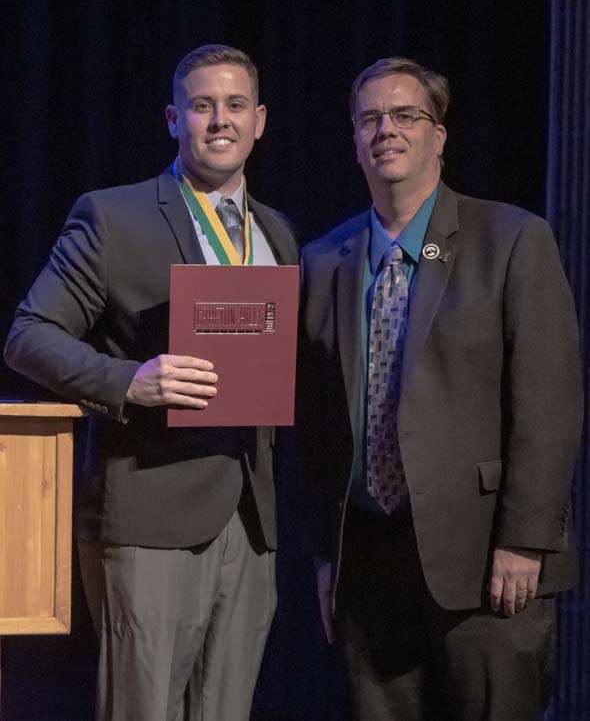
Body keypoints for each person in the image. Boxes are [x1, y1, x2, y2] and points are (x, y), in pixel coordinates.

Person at [4, 44, 298, 721]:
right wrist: (128, 380)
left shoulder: (277, 233)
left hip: (250, 523)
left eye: (233, 106)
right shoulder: (113, 216)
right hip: (148, 513)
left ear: (260, 121)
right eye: (201, 106)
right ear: (174, 119)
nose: (217, 121)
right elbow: (28, 333)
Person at [298, 57, 582, 721]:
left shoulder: (510, 240)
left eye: (405, 116)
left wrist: (525, 539)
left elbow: (550, 402)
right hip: (368, 564)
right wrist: (324, 554)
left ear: (439, 135)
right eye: (369, 118)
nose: (385, 131)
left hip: (488, 562)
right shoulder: (323, 260)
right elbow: (315, 429)